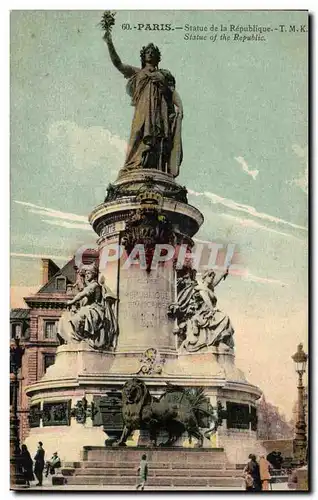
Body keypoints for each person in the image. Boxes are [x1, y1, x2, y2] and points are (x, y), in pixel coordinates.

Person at [104, 30, 183, 177]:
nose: (150, 54)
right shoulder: (136, 72)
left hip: (160, 112)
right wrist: (109, 42)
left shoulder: (165, 75)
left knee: (159, 138)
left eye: (153, 52)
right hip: (142, 110)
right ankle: (131, 166)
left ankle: (157, 169)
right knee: (137, 135)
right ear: (143, 55)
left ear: (158, 57)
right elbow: (118, 64)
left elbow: (172, 94)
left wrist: (181, 107)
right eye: (147, 51)